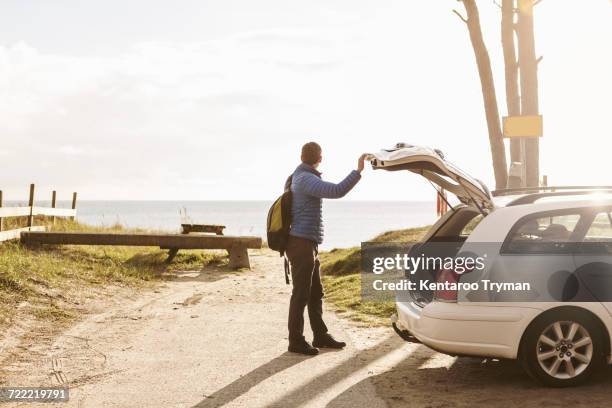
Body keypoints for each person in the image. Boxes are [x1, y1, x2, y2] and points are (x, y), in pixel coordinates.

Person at [285, 142, 368, 355]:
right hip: (301, 244)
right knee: (301, 294)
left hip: (306, 243)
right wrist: (358, 170)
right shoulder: (305, 179)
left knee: (315, 293)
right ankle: (296, 341)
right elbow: (337, 190)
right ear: (319, 158)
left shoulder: (302, 176)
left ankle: (320, 336)